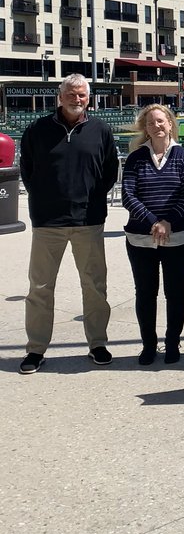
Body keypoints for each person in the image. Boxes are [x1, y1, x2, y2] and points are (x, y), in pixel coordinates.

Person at [18, 75, 119, 374]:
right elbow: (28, 171)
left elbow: (109, 171)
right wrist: (45, 202)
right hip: (48, 222)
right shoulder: (38, 130)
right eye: (71, 95)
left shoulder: (100, 130)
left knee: (95, 286)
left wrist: (92, 201)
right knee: (40, 288)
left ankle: (97, 343)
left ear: (89, 98)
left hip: (88, 221)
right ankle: (36, 349)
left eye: (83, 95)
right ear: (59, 97)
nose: (77, 100)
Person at [122, 103, 184, 365]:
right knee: (145, 293)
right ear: (145, 127)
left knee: (176, 292)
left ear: (170, 123)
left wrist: (168, 222)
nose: (157, 126)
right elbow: (129, 196)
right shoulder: (136, 158)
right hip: (141, 238)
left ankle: (172, 341)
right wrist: (155, 222)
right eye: (151, 122)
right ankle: (148, 345)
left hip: (178, 237)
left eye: (161, 121)